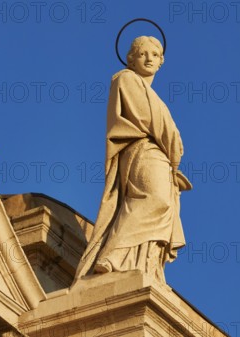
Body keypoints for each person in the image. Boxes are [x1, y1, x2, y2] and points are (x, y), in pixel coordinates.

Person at [74, 36, 191, 283]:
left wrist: (173, 147)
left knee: (161, 207)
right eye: (142, 54)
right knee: (154, 200)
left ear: (161, 61)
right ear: (131, 59)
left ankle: (144, 266)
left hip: (159, 156)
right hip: (143, 150)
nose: (149, 59)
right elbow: (149, 120)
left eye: (154, 55)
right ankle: (112, 255)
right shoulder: (125, 79)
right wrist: (175, 147)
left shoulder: (155, 96)